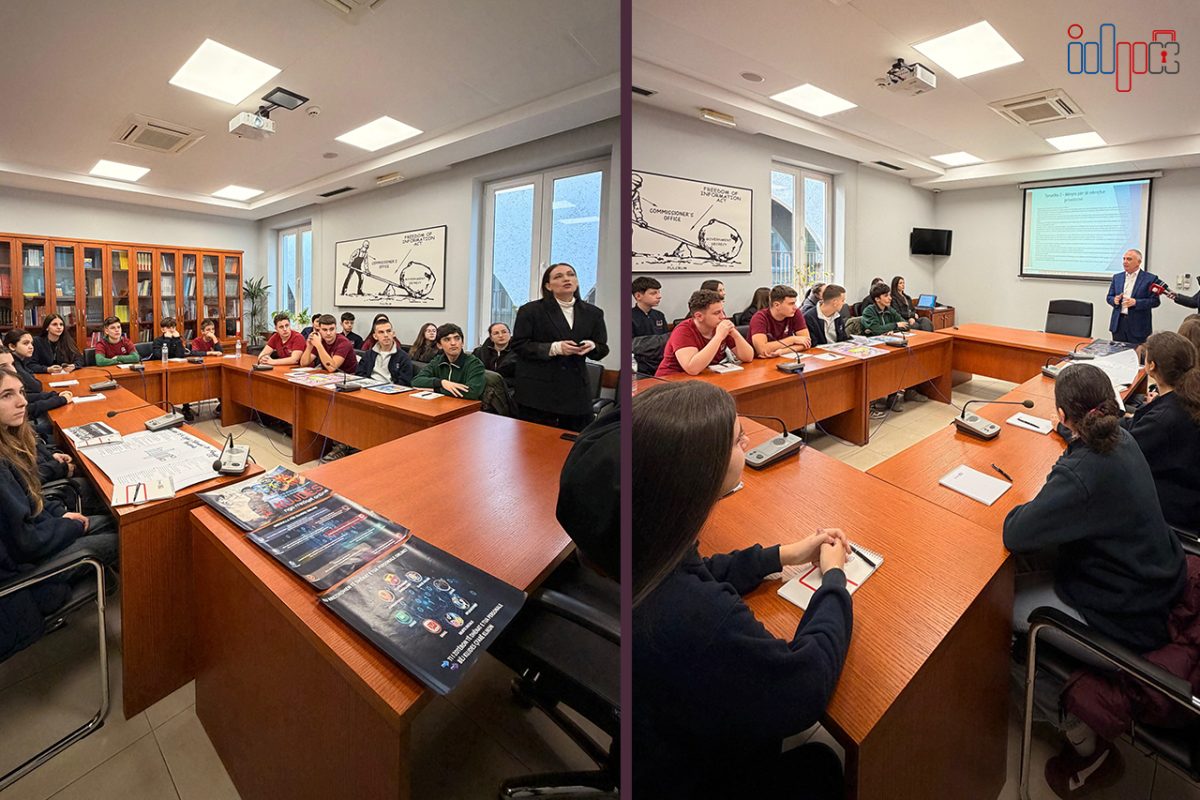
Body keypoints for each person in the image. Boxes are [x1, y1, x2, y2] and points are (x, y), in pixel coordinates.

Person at [633, 380, 851, 799]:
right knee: (823, 763)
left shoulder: (647, 539)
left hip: (656, 738)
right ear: (703, 468)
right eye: (738, 440)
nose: (749, 443)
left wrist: (781, 555)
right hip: (693, 775)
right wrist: (834, 580)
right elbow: (805, 687)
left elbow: (701, 569)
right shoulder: (703, 615)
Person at [1004, 363, 1185, 796]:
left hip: (1126, 620)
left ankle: (1084, 740)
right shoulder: (1124, 437)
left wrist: (1064, 470)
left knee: (998, 610)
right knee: (1033, 561)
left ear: (1063, 416)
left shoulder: (1084, 472)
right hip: (1153, 586)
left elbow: (1015, 531)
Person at [0, 365, 117, 568]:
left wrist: (59, 515)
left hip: (39, 530)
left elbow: (29, 496)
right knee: (124, 537)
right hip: (26, 567)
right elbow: (26, 543)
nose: (23, 402)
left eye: (21, 392)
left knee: (113, 523)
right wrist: (69, 526)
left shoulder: (8, 441)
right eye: (7, 395)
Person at [512, 263, 609, 431]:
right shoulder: (531, 311)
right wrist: (555, 348)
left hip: (576, 392)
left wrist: (592, 346)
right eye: (558, 276)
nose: (566, 279)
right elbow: (519, 345)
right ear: (548, 286)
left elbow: (602, 348)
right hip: (539, 393)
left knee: (576, 441)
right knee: (537, 442)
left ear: (577, 282)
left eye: (571, 274)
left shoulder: (593, 313)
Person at [1120, 332, 1200, 531]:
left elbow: (1119, 449)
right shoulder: (1188, 397)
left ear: (1151, 366)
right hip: (1189, 492)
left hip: (1173, 507)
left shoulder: (1163, 418)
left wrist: (1074, 428)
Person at [655, 289, 753, 377]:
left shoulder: (719, 325)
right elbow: (692, 369)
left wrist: (735, 334)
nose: (723, 316)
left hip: (704, 377)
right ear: (699, 316)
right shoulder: (683, 331)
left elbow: (748, 357)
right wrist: (718, 337)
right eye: (716, 313)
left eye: (722, 311)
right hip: (671, 380)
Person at [2, 335, 72, 436]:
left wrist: (54, 395)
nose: (13, 370)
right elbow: (34, 390)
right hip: (25, 426)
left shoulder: (19, 363)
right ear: (12, 346)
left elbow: (27, 396)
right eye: (3, 366)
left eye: (12, 364)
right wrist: (60, 399)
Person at [412, 323, 485, 400]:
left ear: (462, 342)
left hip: (466, 405)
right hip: (441, 403)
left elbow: (472, 393)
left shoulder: (474, 363)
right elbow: (416, 381)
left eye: (457, 338)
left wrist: (436, 390)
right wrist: (442, 383)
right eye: (447, 339)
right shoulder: (437, 361)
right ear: (439, 345)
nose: (453, 343)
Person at [1106, 249, 1160, 345]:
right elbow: (1109, 297)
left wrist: (1136, 302)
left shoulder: (1150, 279)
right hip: (1118, 324)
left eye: (1129, 259)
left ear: (1138, 262)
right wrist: (1114, 300)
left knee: (1137, 353)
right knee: (1117, 352)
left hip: (1139, 326)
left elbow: (1155, 301)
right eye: (1124, 259)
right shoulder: (1117, 277)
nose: (1125, 262)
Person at [749, 284, 811, 358]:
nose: (795, 307)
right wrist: (792, 340)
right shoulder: (759, 318)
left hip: (782, 358)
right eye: (791, 304)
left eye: (795, 303)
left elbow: (807, 342)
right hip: (759, 362)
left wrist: (783, 351)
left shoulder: (795, 313)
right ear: (777, 305)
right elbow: (762, 350)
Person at [355, 317, 413, 387]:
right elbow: (359, 374)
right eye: (381, 332)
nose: (386, 335)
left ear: (393, 334)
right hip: (369, 387)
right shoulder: (368, 355)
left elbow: (404, 382)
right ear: (375, 336)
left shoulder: (403, 357)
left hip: (391, 389)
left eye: (388, 331)